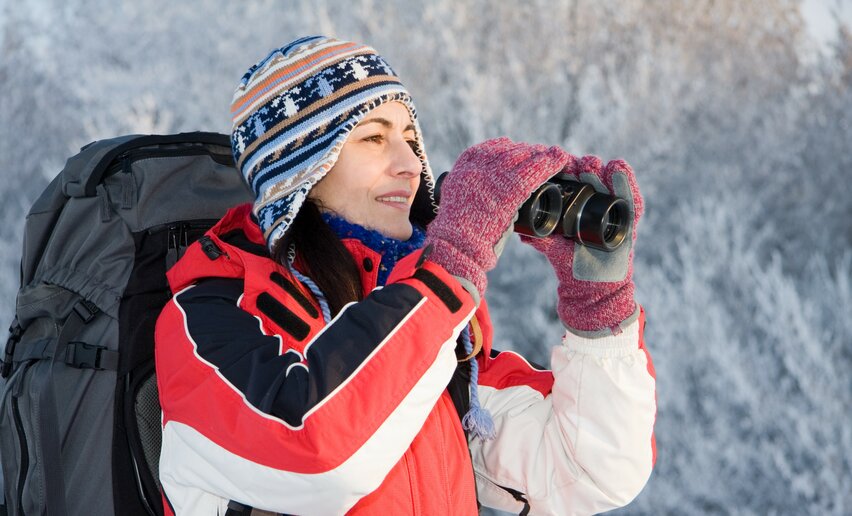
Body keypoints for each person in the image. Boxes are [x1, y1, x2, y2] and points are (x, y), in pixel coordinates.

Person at [155, 35, 657, 515]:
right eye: (373, 139)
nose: (410, 165)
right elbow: (316, 453)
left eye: (411, 138)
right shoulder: (206, 318)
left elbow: (588, 470)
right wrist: (449, 272)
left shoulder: (432, 339)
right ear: (299, 170)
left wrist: (598, 309)